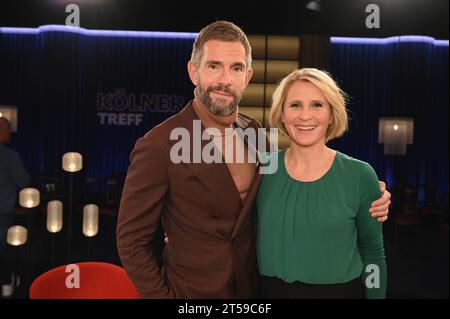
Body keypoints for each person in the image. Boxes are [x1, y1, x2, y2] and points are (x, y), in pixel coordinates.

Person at [116, 21, 390, 299]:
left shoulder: (254, 133)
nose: (225, 79)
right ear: (193, 72)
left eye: (235, 68)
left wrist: (370, 195)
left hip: (253, 291)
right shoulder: (159, 145)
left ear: (247, 77)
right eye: (214, 66)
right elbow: (131, 241)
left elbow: (275, 207)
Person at [257, 68, 387, 299]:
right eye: (295, 105)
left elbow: (373, 253)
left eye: (317, 105)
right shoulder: (262, 169)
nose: (305, 116)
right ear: (282, 114)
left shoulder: (360, 174)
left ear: (331, 115)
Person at [0, 117, 30, 298]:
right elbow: (23, 182)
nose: (10, 133)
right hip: (3, 211)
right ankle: (5, 282)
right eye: (8, 130)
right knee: (3, 249)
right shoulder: (10, 156)